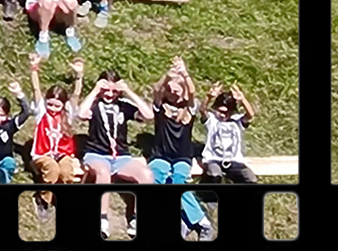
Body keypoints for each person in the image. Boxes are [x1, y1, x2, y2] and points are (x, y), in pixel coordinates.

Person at [79, 67, 153, 239]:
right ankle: (102, 218)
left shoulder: (123, 106)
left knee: (146, 175)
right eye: (106, 90)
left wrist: (128, 91)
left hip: (120, 156)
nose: (110, 94)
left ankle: (136, 218)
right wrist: (95, 90)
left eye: (114, 91)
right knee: (103, 172)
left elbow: (149, 116)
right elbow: (81, 114)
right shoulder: (95, 104)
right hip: (96, 154)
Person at [146, 57, 213, 238]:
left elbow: (192, 92)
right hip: (161, 155)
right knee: (155, 179)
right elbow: (156, 90)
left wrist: (184, 74)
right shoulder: (160, 107)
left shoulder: (189, 109)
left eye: (176, 91)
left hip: (182, 156)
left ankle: (201, 221)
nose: (172, 93)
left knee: (178, 182)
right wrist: (167, 77)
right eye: (169, 90)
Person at [26, 56, 82, 219]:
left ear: (63, 105)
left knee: (66, 172)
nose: (53, 108)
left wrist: (79, 76)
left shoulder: (67, 115)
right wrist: (34, 69)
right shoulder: (42, 113)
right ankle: (43, 199)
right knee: (52, 169)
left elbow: (76, 94)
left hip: (62, 153)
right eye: (50, 104)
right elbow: (36, 90)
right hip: (42, 154)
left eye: (57, 106)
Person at [200, 83, 260, 184]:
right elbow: (202, 110)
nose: (223, 115)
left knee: (250, 179)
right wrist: (208, 97)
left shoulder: (237, 121)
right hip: (214, 158)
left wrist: (243, 100)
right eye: (221, 111)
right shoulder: (212, 120)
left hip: (234, 160)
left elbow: (250, 115)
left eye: (227, 112)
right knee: (214, 175)